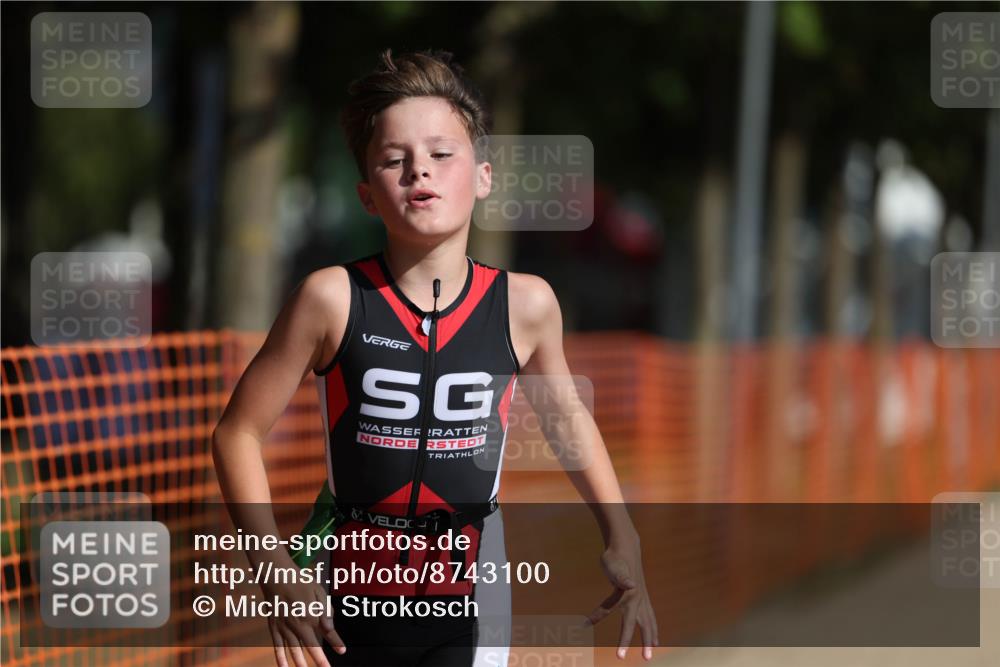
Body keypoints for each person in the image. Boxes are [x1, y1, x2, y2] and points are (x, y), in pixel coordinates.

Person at [212, 48, 657, 667]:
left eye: (442, 155)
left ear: (483, 176)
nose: (420, 172)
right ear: (368, 195)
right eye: (395, 161)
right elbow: (237, 433)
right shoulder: (330, 299)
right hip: (344, 600)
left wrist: (621, 533)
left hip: (472, 596)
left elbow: (567, 421)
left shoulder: (525, 305)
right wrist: (273, 564)